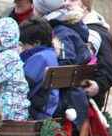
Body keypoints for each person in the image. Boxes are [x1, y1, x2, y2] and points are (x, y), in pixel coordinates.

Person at [33, 0, 91, 128]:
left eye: (34, 6)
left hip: (67, 103)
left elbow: (66, 64)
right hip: (72, 98)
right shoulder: (63, 26)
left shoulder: (60, 32)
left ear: (42, 10)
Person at [66, 0, 112, 109]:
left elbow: (109, 69)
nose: (66, 3)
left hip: (88, 101)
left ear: (84, 6)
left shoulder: (96, 31)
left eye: (72, 0)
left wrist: (98, 85)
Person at [19, 17, 60, 120]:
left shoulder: (39, 58)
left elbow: (22, 85)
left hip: (35, 112)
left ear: (37, 43)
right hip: (46, 110)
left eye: (24, 45)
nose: (22, 49)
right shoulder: (50, 54)